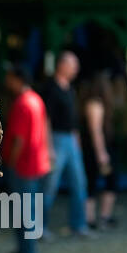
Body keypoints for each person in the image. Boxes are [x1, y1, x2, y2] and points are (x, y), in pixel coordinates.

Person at [1, 63, 52, 253]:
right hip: (36, 164)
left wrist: (10, 163)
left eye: (10, 78)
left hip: (23, 167)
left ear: (17, 79)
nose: (7, 82)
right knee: (29, 211)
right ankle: (27, 251)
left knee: (23, 212)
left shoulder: (23, 103)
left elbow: (19, 140)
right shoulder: (36, 99)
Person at [40, 51, 91, 237]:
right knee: (49, 186)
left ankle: (79, 224)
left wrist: (76, 140)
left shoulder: (69, 88)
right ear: (62, 65)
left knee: (80, 183)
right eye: (73, 65)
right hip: (56, 140)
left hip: (70, 140)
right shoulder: (51, 88)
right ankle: (39, 227)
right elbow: (46, 119)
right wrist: (49, 147)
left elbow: (72, 118)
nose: (76, 69)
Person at [79, 70, 120, 230]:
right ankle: (94, 218)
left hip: (96, 149)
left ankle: (100, 217)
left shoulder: (95, 103)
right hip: (96, 150)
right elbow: (96, 131)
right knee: (96, 181)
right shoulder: (95, 104)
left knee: (96, 181)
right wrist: (101, 153)